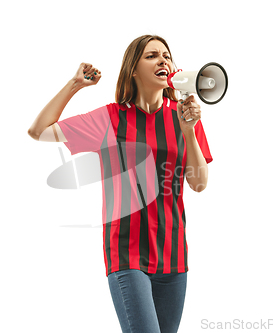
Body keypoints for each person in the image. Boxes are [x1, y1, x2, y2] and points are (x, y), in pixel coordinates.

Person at [27, 35, 213, 333]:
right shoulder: (109, 119)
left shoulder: (184, 118)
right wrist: (75, 84)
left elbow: (199, 184)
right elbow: (39, 131)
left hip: (174, 256)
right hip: (127, 254)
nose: (163, 60)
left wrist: (188, 131)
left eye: (167, 55)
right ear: (133, 69)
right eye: (151, 56)